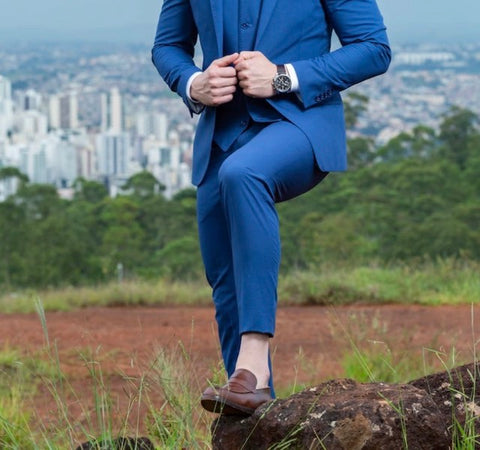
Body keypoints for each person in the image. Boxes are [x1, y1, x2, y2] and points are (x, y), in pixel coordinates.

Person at [152, 0, 391, 416]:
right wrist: (194, 83)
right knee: (227, 286)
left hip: (300, 123)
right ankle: (255, 413)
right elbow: (167, 46)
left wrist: (284, 77)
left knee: (243, 174)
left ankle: (253, 362)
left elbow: (373, 47)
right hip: (220, 136)